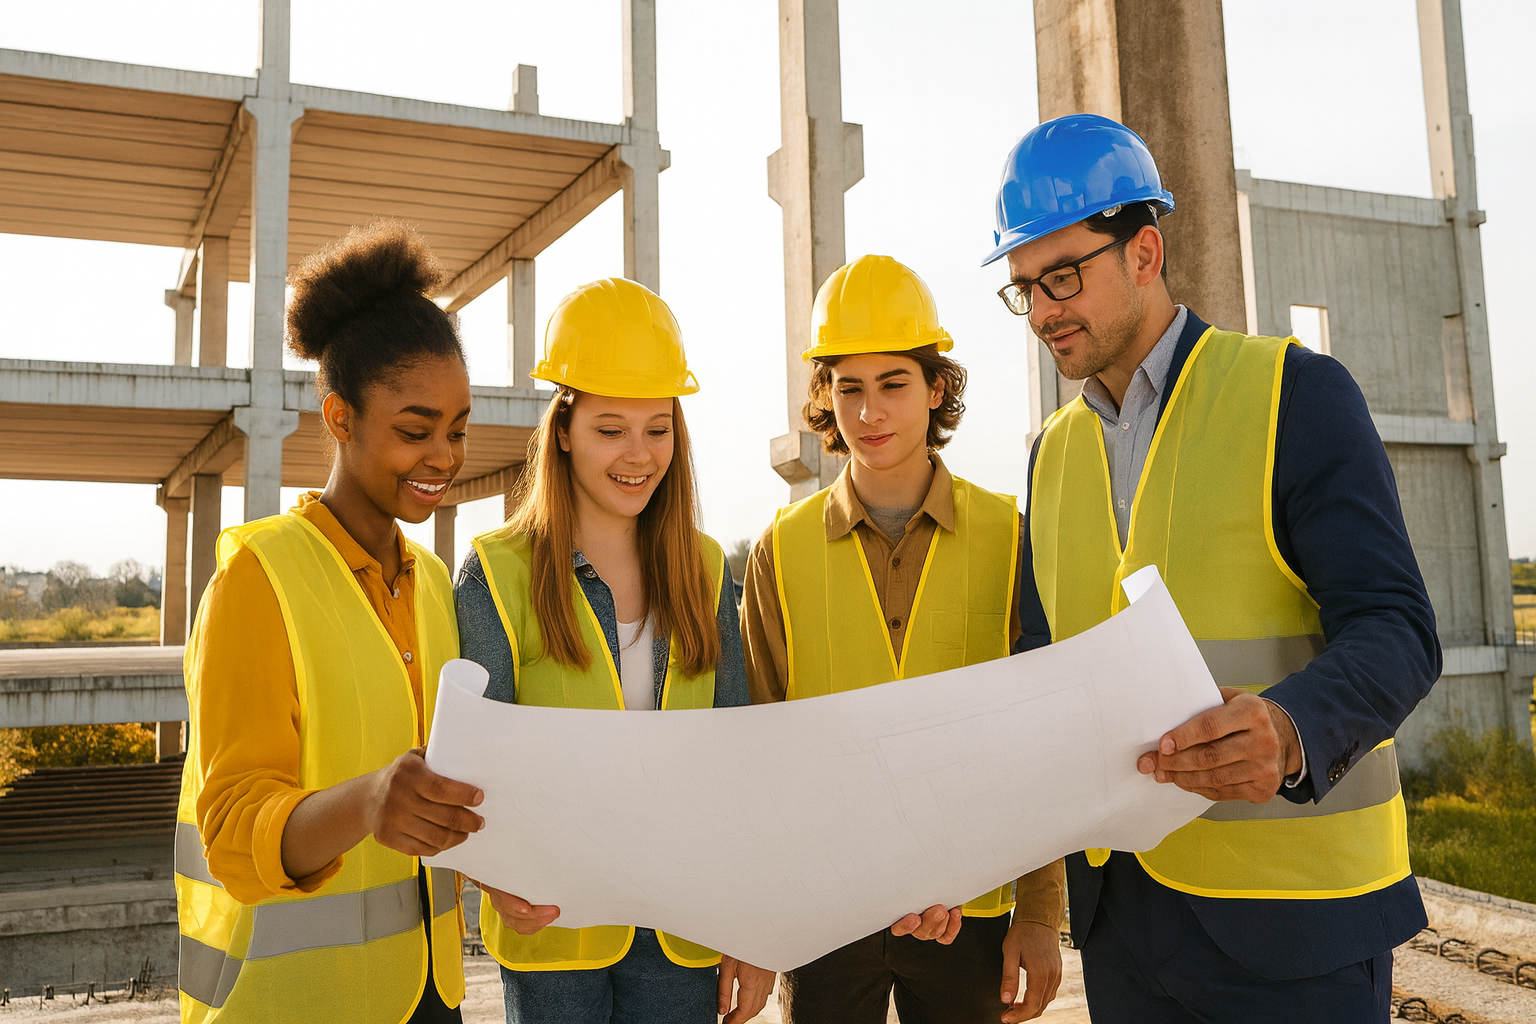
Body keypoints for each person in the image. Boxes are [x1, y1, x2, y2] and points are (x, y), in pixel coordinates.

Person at [983, 113, 1441, 1023]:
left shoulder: (1294, 394)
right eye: (1024, 289)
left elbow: (1398, 626)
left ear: (1145, 252)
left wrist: (1290, 726)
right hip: (1125, 925)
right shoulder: (1052, 454)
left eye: (1063, 277)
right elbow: (1046, 673)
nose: (1042, 313)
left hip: (1296, 926)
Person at [740, 254, 1068, 1024]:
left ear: (936, 390)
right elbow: (758, 749)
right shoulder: (779, 550)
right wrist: (757, 920)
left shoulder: (1010, 535)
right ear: (826, 395)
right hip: (825, 912)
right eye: (847, 387)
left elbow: (1040, 740)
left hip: (972, 906)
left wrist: (1040, 911)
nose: (868, 412)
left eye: (893, 384)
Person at [174, 221, 484, 1024]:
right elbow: (234, 829)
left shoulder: (436, 587)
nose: (444, 458)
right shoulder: (257, 580)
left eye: (456, 429)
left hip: (432, 996)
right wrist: (367, 803)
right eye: (414, 431)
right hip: (291, 1006)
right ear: (339, 417)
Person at [453, 277, 775, 1024]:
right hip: (555, 920)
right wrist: (492, 873)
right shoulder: (496, 572)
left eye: (657, 429)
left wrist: (751, 927)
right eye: (610, 429)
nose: (639, 456)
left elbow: (737, 757)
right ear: (563, 429)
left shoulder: (700, 565)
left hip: (682, 923)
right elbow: (471, 764)